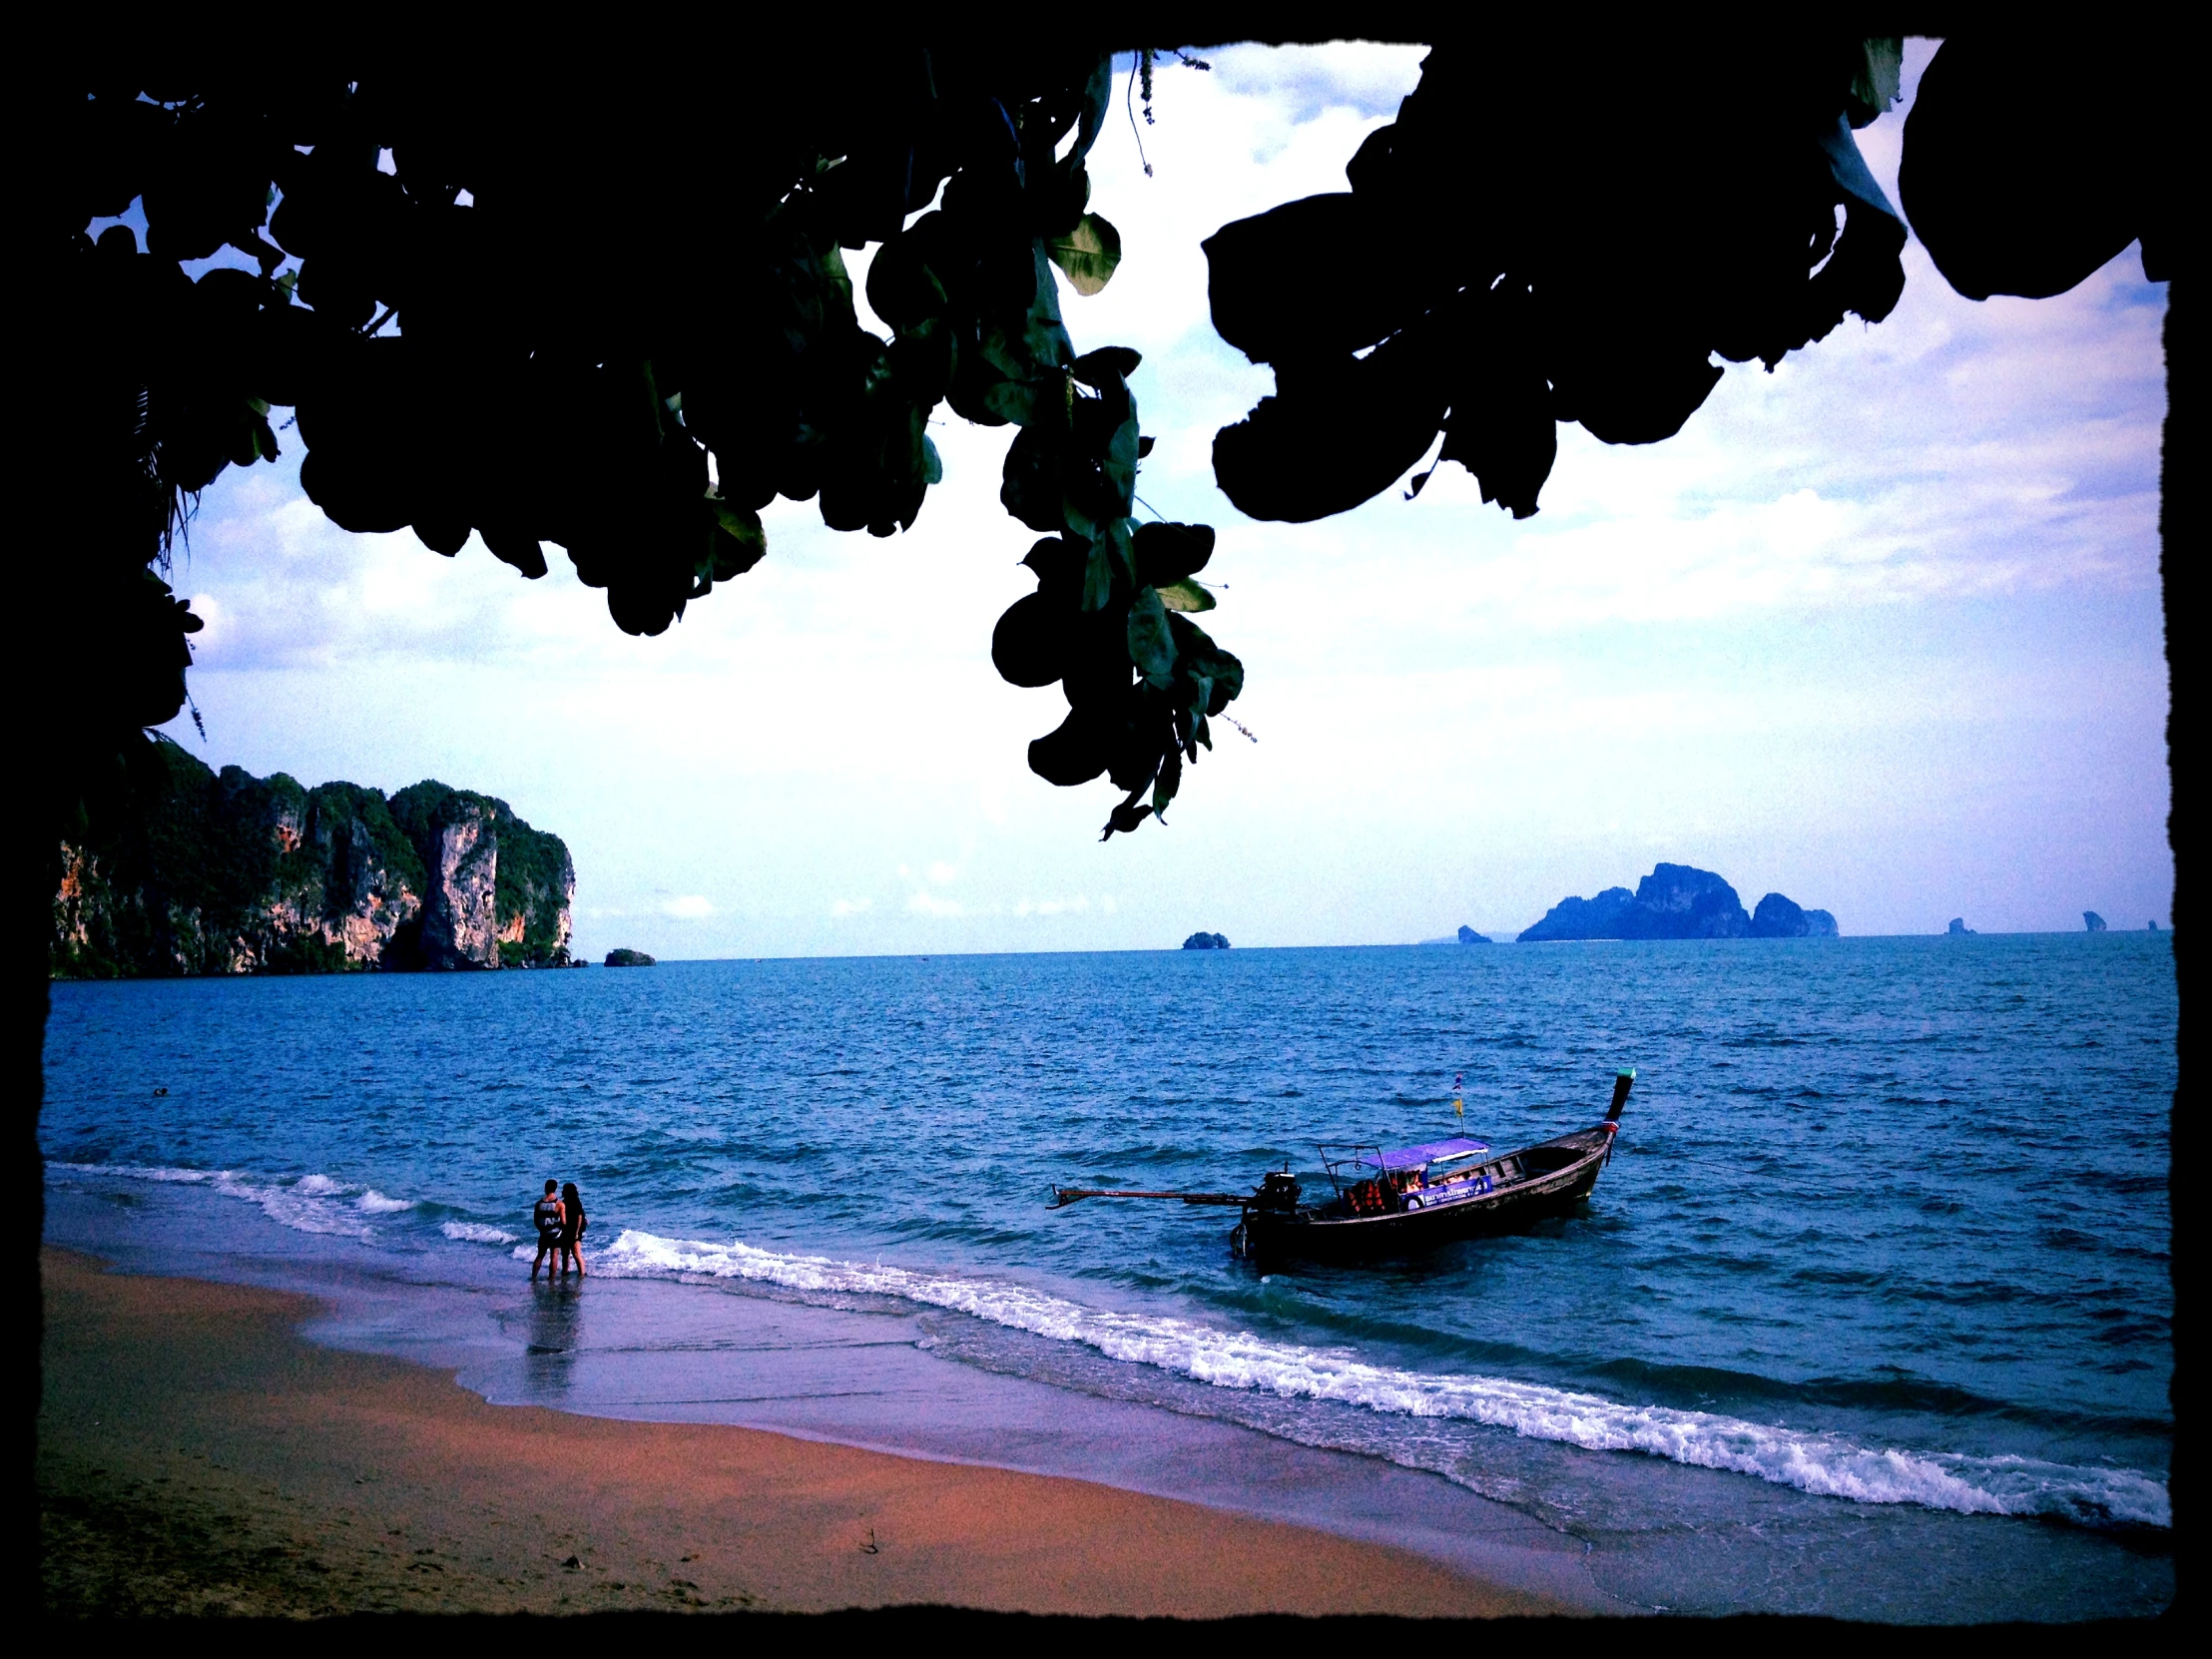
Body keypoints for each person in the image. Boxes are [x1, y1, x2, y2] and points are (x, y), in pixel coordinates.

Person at [529, 1179, 565, 1282]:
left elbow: (536, 1220)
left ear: (545, 1188)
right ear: (555, 1189)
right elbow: (563, 1222)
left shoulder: (539, 1203)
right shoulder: (559, 1204)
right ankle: (551, 1279)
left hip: (543, 1233)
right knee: (554, 1256)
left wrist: (541, 1230)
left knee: (540, 1256)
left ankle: (534, 1277)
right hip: (555, 1234)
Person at [559, 1181, 588, 1278]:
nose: (561, 1191)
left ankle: (582, 1273)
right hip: (566, 1230)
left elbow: (579, 1217)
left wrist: (576, 1232)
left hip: (574, 1230)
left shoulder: (575, 1202)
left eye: (563, 1190)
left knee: (576, 1253)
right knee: (565, 1253)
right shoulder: (564, 1202)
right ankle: (565, 1271)